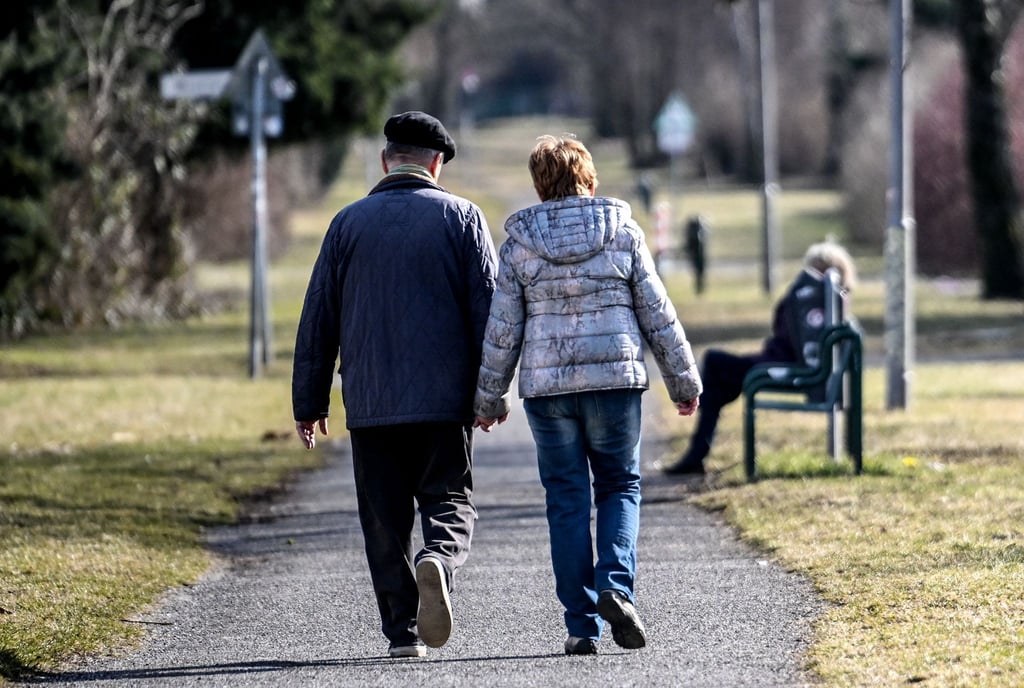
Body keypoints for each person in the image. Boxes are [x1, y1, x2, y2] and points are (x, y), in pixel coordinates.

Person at [473, 135, 702, 656]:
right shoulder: (622, 231)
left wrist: (489, 400)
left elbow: (503, 328)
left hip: (548, 391)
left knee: (566, 498)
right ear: (589, 177)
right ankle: (615, 589)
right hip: (615, 384)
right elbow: (657, 313)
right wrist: (684, 383)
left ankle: (581, 626)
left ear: (540, 182)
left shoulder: (520, 243)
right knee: (619, 484)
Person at [291, 111, 498, 659]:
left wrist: (309, 403)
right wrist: (491, 393)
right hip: (443, 401)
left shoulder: (346, 224)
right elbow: (491, 318)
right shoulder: (464, 219)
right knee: (451, 499)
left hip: (371, 402)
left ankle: (403, 634)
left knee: (383, 520)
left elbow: (318, 319)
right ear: (436, 164)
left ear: (386, 160)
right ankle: (441, 560)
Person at [661, 240, 857, 476]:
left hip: (782, 365)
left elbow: (785, 332)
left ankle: (698, 450)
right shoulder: (833, 301)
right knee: (717, 381)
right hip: (784, 362)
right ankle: (699, 446)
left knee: (714, 364)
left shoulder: (810, 299)